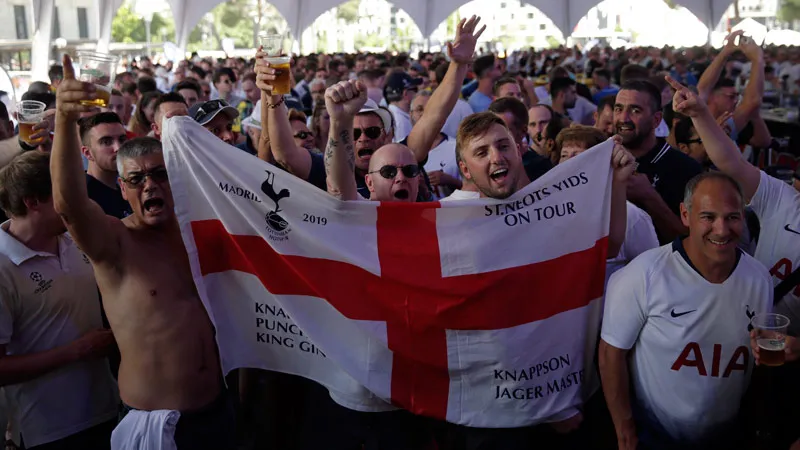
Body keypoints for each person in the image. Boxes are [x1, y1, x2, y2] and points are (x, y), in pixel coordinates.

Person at [50, 55, 235, 449]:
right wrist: (65, 122)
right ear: (123, 189)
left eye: (159, 174)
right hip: (155, 427)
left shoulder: (198, 234)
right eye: (136, 179)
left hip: (218, 412)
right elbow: (70, 205)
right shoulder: (115, 244)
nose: (149, 185)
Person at [600, 172, 772, 450]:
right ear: (685, 214)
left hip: (729, 435)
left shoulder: (759, 278)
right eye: (708, 217)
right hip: (654, 436)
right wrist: (624, 428)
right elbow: (611, 353)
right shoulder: (643, 274)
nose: (721, 229)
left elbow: (759, 355)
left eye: (732, 217)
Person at [0, 151, 120, 449]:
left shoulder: (76, 239)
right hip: (48, 430)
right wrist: (77, 350)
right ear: (33, 201)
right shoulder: (2, 266)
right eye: (68, 194)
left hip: (109, 409)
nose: (81, 204)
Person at [557, 125, 658, 281]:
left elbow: (652, 274)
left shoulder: (632, 217)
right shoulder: (551, 213)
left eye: (578, 156)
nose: (569, 163)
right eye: (564, 155)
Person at [614, 79, 702, 244]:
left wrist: (649, 197)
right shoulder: (602, 160)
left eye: (635, 110)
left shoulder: (686, 169)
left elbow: (694, 242)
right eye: (618, 109)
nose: (623, 118)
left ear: (656, 120)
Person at [696, 30, 770, 148]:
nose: (736, 101)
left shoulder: (704, 119)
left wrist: (726, 51)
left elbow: (764, 142)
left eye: (737, 96)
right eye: (730, 96)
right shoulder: (703, 120)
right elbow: (753, 101)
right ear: (712, 97)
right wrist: (757, 59)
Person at [79, 112, 133, 219]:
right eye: (106, 142)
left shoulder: (128, 188)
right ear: (87, 153)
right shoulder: (83, 197)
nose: (118, 147)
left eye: (122, 139)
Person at [409, 90, 461, 199]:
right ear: (410, 115)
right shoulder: (400, 148)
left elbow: (474, 190)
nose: (424, 113)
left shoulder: (457, 147)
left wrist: (449, 181)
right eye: (419, 109)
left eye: (430, 109)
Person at [489, 97, 552, 183]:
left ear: (523, 131)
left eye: (503, 130)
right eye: (490, 130)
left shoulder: (541, 168)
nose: (494, 136)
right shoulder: (485, 166)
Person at [384, 71, 422, 143]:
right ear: (405, 94)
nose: (418, 93)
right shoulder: (401, 122)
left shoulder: (392, 115)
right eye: (415, 89)